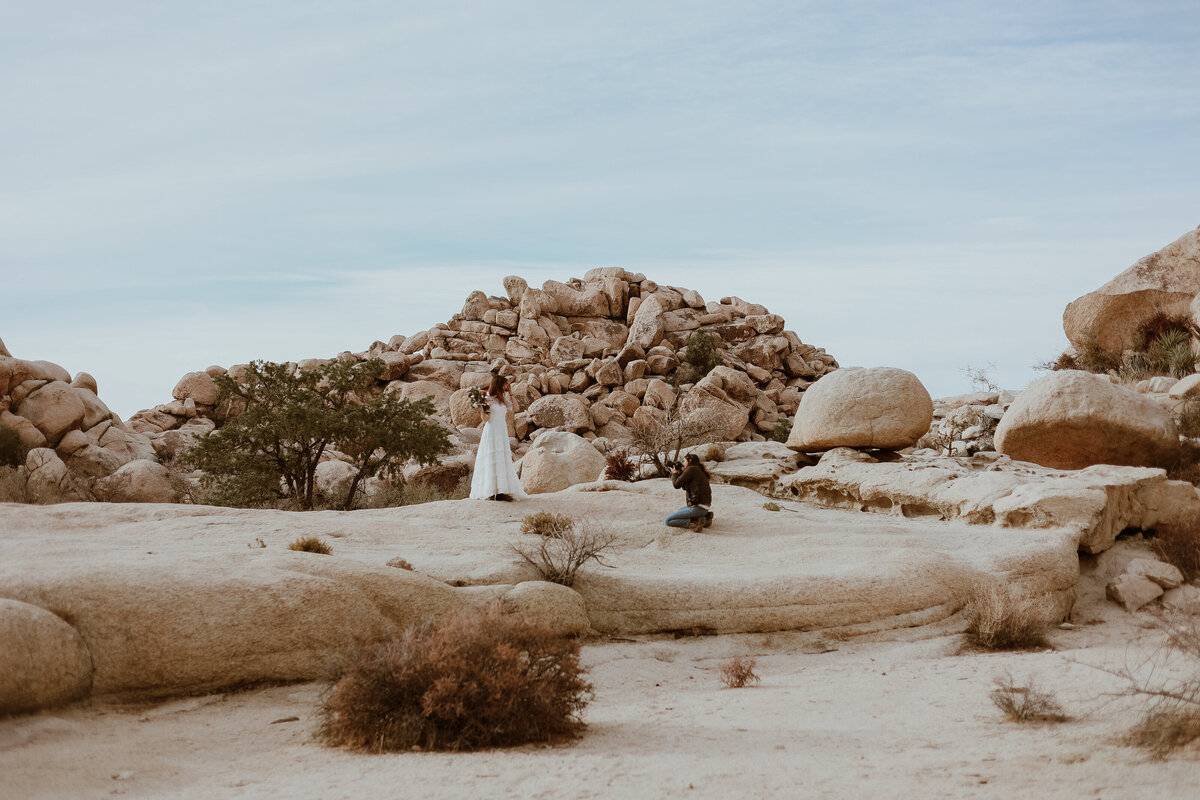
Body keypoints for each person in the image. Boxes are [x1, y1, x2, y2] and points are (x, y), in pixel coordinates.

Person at [469, 371, 529, 501]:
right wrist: (481, 411)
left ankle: (501, 491)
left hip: (501, 431)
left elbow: (516, 408)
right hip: (491, 431)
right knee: (492, 458)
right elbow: (486, 419)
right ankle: (490, 491)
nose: (506, 387)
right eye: (504, 385)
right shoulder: (487, 398)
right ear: (498, 385)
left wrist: (511, 392)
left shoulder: (503, 400)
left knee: (502, 458)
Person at [665, 453, 713, 531]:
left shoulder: (691, 469)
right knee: (680, 511)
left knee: (668, 520)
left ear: (690, 461)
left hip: (698, 507)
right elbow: (685, 487)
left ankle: (694, 523)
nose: (683, 464)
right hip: (703, 507)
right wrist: (679, 473)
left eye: (684, 461)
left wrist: (674, 474)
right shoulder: (698, 469)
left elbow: (676, 485)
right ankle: (704, 518)